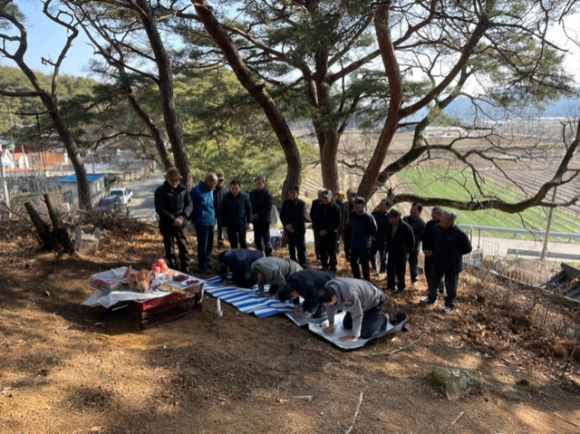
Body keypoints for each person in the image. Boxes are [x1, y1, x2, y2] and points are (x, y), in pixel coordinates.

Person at [421, 211, 472, 313]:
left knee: (450, 287)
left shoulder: (459, 234)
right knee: (432, 282)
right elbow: (433, 242)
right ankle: (431, 297)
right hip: (438, 262)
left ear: (451, 221)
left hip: (452, 265)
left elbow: (467, 248)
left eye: (443, 218)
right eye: (441, 217)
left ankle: (449, 304)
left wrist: (455, 254)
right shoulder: (436, 228)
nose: (441, 220)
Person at [317, 277, 386, 342]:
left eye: (327, 303)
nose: (327, 306)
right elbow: (329, 306)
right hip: (360, 301)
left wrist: (354, 336)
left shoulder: (349, 295)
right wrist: (331, 323)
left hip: (374, 302)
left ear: (333, 298)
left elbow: (357, 315)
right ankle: (366, 317)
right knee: (346, 325)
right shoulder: (328, 289)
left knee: (364, 333)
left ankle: (382, 318)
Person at [154, 168, 193, 272]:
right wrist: (172, 219)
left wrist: (182, 217)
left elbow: (189, 204)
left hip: (181, 223)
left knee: (183, 245)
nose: (174, 183)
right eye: (172, 180)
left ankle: (185, 267)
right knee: (169, 246)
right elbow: (160, 208)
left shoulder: (184, 190)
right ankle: (173, 267)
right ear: (167, 179)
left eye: (176, 180)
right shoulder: (160, 191)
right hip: (167, 223)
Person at [190, 172, 218, 274]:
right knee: (203, 245)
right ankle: (202, 265)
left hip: (210, 220)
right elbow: (189, 203)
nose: (214, 185)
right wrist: (192, 217)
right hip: (201, 221)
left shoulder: (210, 190)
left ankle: (207, 261)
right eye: (213, 183)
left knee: (209, 244)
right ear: (208, 181)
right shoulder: (196, 190)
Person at [385, 209, 415, 294]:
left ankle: (401, 287)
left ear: (397, 217)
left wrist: (407, 252)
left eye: (391, 217)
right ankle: (390, 286)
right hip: (392, 251)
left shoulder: (406, 228)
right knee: (390, 269)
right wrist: (386, 250)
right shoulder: (390, 225)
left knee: (400, 271)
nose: (389, 219)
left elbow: (411, 241)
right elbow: (388, 238)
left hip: (401, 253)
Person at [349, 197, 377, 281]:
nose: (356, 207)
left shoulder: (368, 217)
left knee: (364, 262)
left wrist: (369, 237)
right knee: (353, 261)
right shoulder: (352, 214)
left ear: (363, 205)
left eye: (358, 205)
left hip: (364, 243)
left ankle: (366, 279)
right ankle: (356, 277)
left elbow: (374, 229)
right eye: (355, 205)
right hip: (354, 242)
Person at [313, 190, 341, 272]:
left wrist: (327, 230)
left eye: (326, 198)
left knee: (331, 250)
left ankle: (333, 266)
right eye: (323, 198)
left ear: (331, 198)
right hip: (321, 233)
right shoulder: (319, 207)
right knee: (322, 250)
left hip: (331, 233)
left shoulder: (336, 207)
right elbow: (315, 220)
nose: (325, 200)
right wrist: (319, 230)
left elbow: (337, 222)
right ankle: (324, 265)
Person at [280, 185, 308, 267]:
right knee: (291, 247)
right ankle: (293, 262)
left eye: (293, 193)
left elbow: (303, 217)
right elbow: (282, 215)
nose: (291, 194)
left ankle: (303, 263)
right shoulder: (286, 203)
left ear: (297, 194)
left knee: (300, 247)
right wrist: (286, 225)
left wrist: (292, 225)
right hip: (288, 230)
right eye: (290, 193)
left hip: (298, 229)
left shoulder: (301, 203)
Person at [221, 179, 252, 249]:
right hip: (230, 224)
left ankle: (244, 254)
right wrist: (224, 224)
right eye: (233, 188)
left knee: (242, 242)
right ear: (230, 188)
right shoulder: (226, 197)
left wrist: (248, 221)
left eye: (236, 188)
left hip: (241, 223)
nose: (234, 190)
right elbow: (222, 211)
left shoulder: (245, 196)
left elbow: (249, 209)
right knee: (233, 243)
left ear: (240, 188)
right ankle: (234, 255)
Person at [250, 175, 273, 256]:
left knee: (266, 239)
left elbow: (268, 207)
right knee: (257, 239)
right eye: (257, 183)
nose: (258, 185)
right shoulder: (252, 193)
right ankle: (259, 254)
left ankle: (269, 254)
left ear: (263, 183)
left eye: (260, 183)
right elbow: (250, 205)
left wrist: (258, 214)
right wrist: (251, 215)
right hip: (255, 220)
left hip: (264, 219)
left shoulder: (267, 193)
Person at [403, 202, 426, 286]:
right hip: (403, 246)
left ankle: (414, 279)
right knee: (401, 263)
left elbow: (421, 236)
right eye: (411, 209)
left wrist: (410, 237)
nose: (412, 211)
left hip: (414, 247)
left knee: (413, 264)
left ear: (419, 211)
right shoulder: (405, 219)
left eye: (414, 209)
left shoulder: (421, 223)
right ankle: (400, 277)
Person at [422, 206, 444, 294]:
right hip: (427, 252)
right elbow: (424, 238)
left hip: (437, 254)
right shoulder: (429, 224)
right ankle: (430, 287)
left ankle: (439, 287)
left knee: (437, 272)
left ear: (439, 215)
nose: (432, 216)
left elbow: (441, 241)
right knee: (427, 270)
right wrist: (424, 249)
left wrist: (433, 251)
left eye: (434, 215)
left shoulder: (443, 225)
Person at [371, 199, 391, 274]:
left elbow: (387, 230)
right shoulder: (375, 214)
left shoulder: (388, 217)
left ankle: (383, 269)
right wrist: (372, 235)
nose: (380, 206)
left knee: (383, 256)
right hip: (373, 238)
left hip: (382, 240)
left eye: (382, 205)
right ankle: (374, 267)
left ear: (387, 207)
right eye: (380, 204)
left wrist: (379, 236)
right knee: (371, 253)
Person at [339, 189, 356, 260]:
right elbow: (343, 216)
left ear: (353, 196)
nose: (348, 198)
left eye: (350, 196)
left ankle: (354, 256)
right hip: (347, 226)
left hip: (355, 226)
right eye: (347, 196)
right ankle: (347, 256)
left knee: (354, 242)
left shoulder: (357, 203)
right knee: (346, 242)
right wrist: (342, 226)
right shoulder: (344, 204)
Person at [213, 172, 228, 247]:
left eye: (222, 180)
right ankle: (210, 242)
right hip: (213, 212)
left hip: (222, 213)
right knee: (211, 228)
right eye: (219, 180)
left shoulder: (226, 191)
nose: (220, 182)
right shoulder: (212, 190)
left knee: (221, 228)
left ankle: (220, 241)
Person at [310, 190, 324, 261]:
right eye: (319, 195)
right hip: (316, 225)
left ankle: (324, 255)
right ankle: (318, 255)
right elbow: (312, 214)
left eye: (321, 195)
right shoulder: (315, 202)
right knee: (317, 241)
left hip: (324, 226)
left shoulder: (326, 203)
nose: (320, 196)